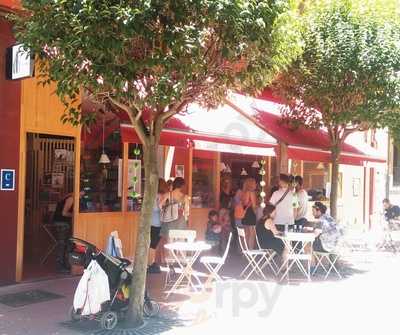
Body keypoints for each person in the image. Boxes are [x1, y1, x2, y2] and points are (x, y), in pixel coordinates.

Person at [53, 191, 83, 272]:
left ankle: (65, 264)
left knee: (66, 244)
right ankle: (60, 266)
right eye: (81, 194)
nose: (81, 196)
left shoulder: (68, 196)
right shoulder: (71, 199)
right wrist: (75, 215)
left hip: (61, 223)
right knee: (63, 244)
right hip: (62, 223)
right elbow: (64, 213)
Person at [147, 178, 169, 274]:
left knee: (152, 244)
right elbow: (158, 209)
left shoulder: (154, 195)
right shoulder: (163, 196)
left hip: (153, 223)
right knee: (154, 245)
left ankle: (151, 263)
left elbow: (154, 209)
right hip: (159, 224)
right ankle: (152, 264)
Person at [237, 177, 258, 249]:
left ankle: (245, 249)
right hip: (250, 213)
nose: (256, 184)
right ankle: (250, 250)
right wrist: (256, 214)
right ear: (252, 184)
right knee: (252, 233)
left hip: (245, 213)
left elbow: (243, 204)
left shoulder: (243, 193)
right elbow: (254, 206)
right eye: (255, 183)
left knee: (246, 233)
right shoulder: (251, 192)